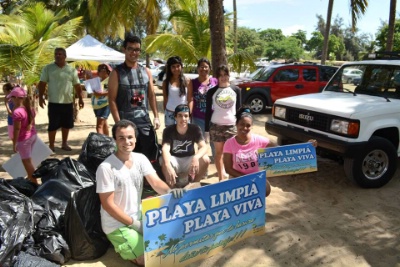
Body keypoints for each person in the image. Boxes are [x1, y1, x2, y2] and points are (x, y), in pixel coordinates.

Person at [96, 119, 185, 266]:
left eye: (130, 137)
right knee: (149, 260)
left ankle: (133, 241)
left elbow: (155, 182)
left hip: (138, 215)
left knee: (173, 243)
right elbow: (107, 204)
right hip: (117, 224)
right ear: (114, 140)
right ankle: (121, 243)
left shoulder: (140, 158)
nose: (127, 141)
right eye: (121, 138)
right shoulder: (106, 168)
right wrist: (136, 225)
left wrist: (171, 191)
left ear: (136, 139)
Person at [223, 106, 318, 197]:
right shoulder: (229, 143)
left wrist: (306, 147)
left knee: (265, 191)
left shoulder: (259, 140)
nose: (244, 128)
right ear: (236, 124)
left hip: (256, 178)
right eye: (242, 124)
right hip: (237, 178)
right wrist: (248, 180)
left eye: (248, 125)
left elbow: (284, 151)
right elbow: (228, 169)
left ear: (252, 126)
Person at [108, 34, 161, 160]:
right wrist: (119, 124)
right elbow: (112, 100)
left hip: (144, 122)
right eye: (130, 49)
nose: (134, 52)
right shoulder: (116, 73)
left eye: (137, 49)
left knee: (149, 158)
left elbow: (151, 95)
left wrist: (156, 117)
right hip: (126, 123)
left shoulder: (146, 71)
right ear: (124, 50)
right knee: (127, 158)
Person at [38, 47, 84, 152]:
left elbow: (77, 86)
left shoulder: (71, 70)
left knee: (66, 124)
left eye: (60, 54)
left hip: (67, 102)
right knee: (52, 125)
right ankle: (51, 145)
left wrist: (80, 98)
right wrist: (40, 97)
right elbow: (42, 83)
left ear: (65, 56)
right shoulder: (48, 68)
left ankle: (64, 144)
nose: (58, 56)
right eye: (56, 54)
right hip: (53, 102)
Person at [205, 65, 241, 181]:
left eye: (225, 75)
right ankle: (221, 178)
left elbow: (240, 110)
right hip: (216, 126)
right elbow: (207, 111)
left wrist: (240, 126)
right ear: (217, 77)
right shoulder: (211, 92)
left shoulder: (236, 90)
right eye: (220, 75)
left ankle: (232, 178)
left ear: (229, 75)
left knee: (233, 154)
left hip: (232, 126)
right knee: (219, 153)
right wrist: (206, 130)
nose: (223, 77)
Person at [161, 104, 210, 188]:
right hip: (175, 159)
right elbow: (165, 148)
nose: (183, 119)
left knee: (205, 159)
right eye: (180, 116)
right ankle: (172, 188)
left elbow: (204, 146)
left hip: (189, 159)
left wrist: (196, 157)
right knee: (164, 161)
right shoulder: (168, 130)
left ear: (189, 118)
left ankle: (194, 184)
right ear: (175, 117)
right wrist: (167, 164)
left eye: (186, 116)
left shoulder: (194, 128)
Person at [8, 87, 38, 184]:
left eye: (12, 97)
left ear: (16, 98)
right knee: (28, 160)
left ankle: (35, 184)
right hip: (32, 136)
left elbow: (17, 129)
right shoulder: (29, 109)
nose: (11, 100)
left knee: (27, 162)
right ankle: (31, 179)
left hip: (24, 139)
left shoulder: (17, 112)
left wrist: (14, 143)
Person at [189, 58, 218, 156]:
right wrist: (190, 113)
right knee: (201, 142)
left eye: (206, 67)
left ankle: (217, 163)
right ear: (198, 68)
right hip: (198, 117)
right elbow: (190, 99)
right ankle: (202, 164)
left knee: (215, 142)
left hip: (214, 117)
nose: (203, 69)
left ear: (209, 68)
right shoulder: (192, 82)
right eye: (201, 66)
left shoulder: (215, 81)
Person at [162, 56, 192, 126]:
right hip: (170, 114)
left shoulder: (187, 80)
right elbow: (165, 99)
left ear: (181, 66)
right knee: (170, 135)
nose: (176, 69)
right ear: (170, 68)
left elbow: (190, 99)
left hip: (183, 114)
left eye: (178, 66)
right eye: (173, 67)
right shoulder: (166, 82)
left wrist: (188, 113)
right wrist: (166, 112)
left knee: (184, 136)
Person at [91, 64, 111, 135]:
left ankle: (102, 143)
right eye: (100, 70)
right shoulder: (97, 80)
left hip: (105, 105)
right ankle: (108, 141)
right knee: (104, 124)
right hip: (96, 106)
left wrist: (100, 94)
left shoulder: (110, 80)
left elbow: (112, 91)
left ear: (107, 71)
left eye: (104, 70)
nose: (102, 71)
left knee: (99, 126)